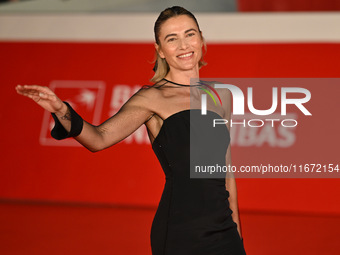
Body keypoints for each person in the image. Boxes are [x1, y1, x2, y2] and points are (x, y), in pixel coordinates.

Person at [16, 6, 246, 255]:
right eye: (172, 39)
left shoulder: (222, 95)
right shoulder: (152, 98)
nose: (183, 45)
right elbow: (99, 138)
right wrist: (61, 109)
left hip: (224, 231)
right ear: (160, 50)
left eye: (189, 34)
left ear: (201, 39)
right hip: (182, 231)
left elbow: (227, 173)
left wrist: (237, 236)